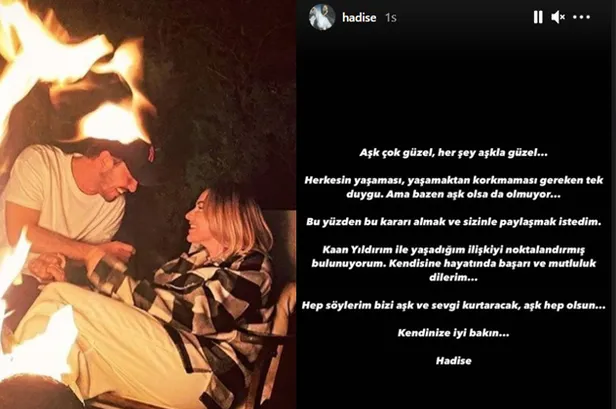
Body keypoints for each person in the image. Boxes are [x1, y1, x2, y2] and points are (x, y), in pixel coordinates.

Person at [15, 184, 275, 409]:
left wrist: (105, 273)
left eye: (200, 207)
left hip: (204, 376)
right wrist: (70, 286)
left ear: (227, 214)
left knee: (58, 299)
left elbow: (195, 315)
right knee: (64, 342)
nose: (188, 214)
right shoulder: (186, 264)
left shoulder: (253, 267)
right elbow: (135, 311)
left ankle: (14, 389)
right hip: (166, 362)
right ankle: (22, 392)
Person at [0, 137, 161, 330]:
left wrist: (56, 266)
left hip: (33, 290)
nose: (133, 187)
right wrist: (91, 251)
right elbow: (20, 233)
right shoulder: (40, 162)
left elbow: (77, 263)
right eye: (131, 176)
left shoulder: (114, 206)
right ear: (105, 161)